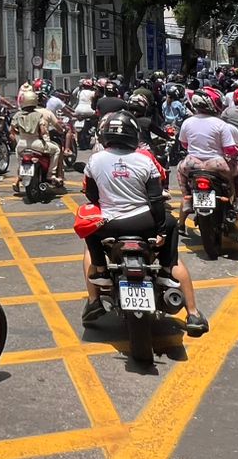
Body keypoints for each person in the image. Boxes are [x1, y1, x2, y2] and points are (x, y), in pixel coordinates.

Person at [79, 112, 208, 334]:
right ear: (133, 135)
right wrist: (160, 230)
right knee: (171, 224)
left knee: (88, 226)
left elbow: (91, 195)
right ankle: (189, 307)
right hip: (144, 223)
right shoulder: (144, 159)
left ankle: (98, 282)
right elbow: (156, 199)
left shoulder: (95, 160)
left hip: (110, 224)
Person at [177, 92, 238, 245]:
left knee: (181, 171)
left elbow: (184, 144)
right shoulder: (221, 125)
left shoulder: (187, 122)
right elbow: (230, 150)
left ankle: (187, 199)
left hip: (192, 164)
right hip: (217, 166)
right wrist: (233, 154)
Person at [11, 85, 63, 195]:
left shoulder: (17, 115)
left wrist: (20, 134)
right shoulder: (38, 115)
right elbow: (43, 131)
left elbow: (12, 130)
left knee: (20, 160)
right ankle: (50, 174)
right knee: (57, 150)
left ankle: (20, 176)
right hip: (36, 143)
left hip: (21, 144)